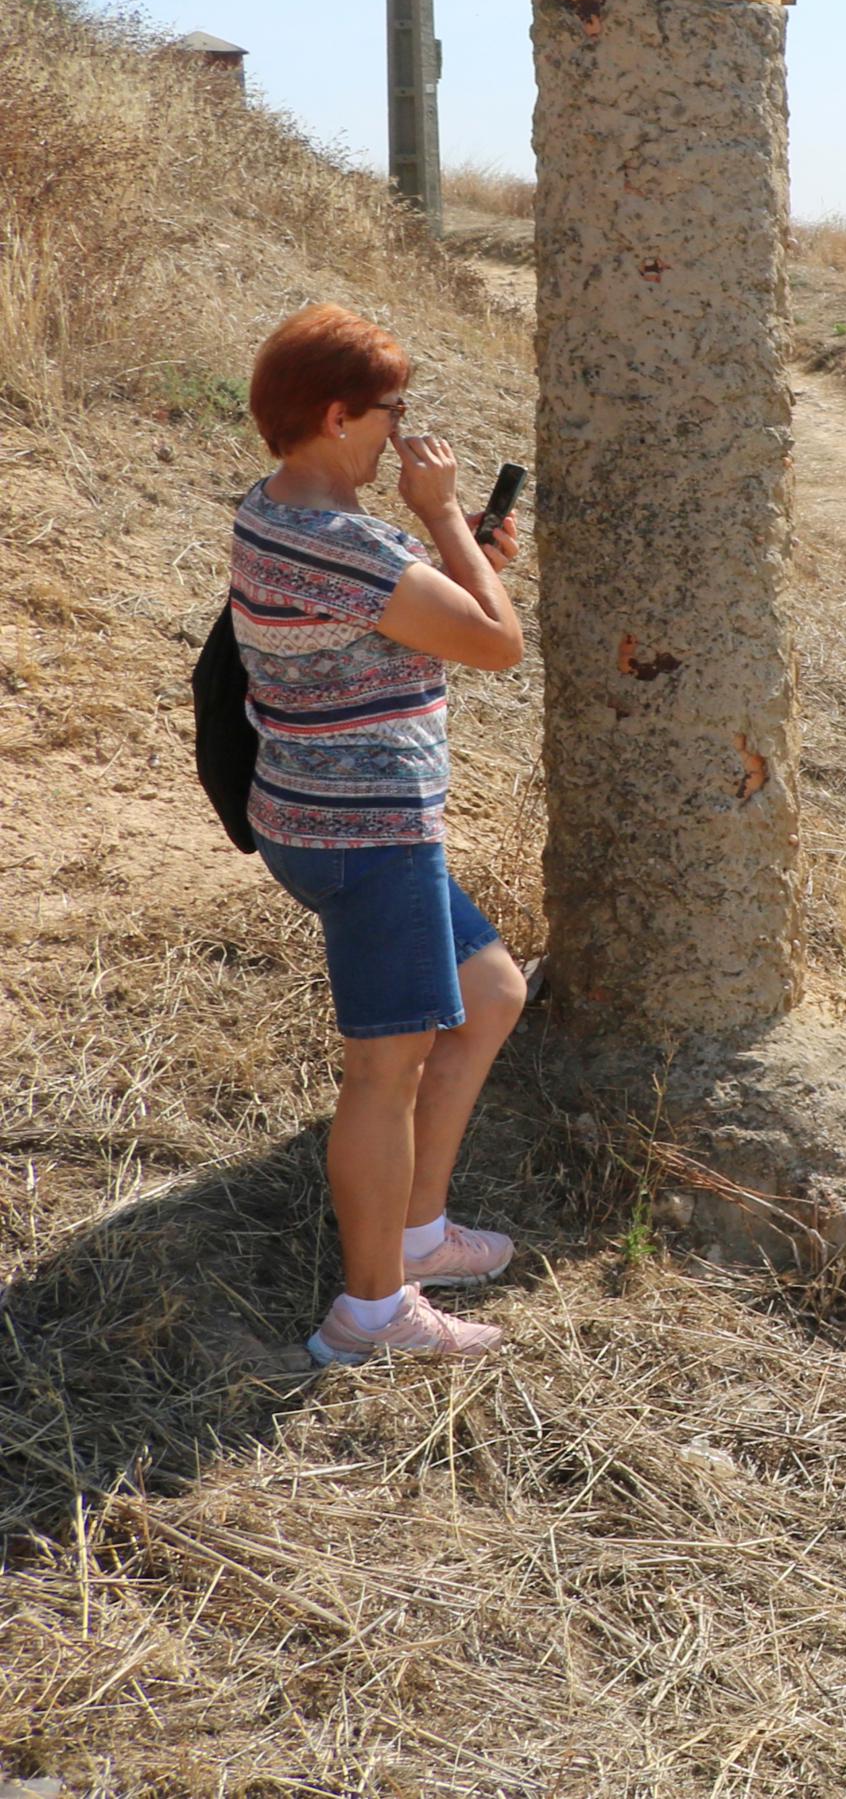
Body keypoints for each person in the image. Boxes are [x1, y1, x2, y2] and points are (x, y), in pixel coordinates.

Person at [233, 304, 531, 1367]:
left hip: (308, 816)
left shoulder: (271, 510)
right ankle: (371, 1314)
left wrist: (452, 549)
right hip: (369, 835)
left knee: (491, 992)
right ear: (336, 413)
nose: (403, 430)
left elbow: (408, 602)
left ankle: (418, 1233)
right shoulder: (343, 541)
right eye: (392, 410)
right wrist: (448, 520)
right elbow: (497, 644)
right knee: (385, 1071)